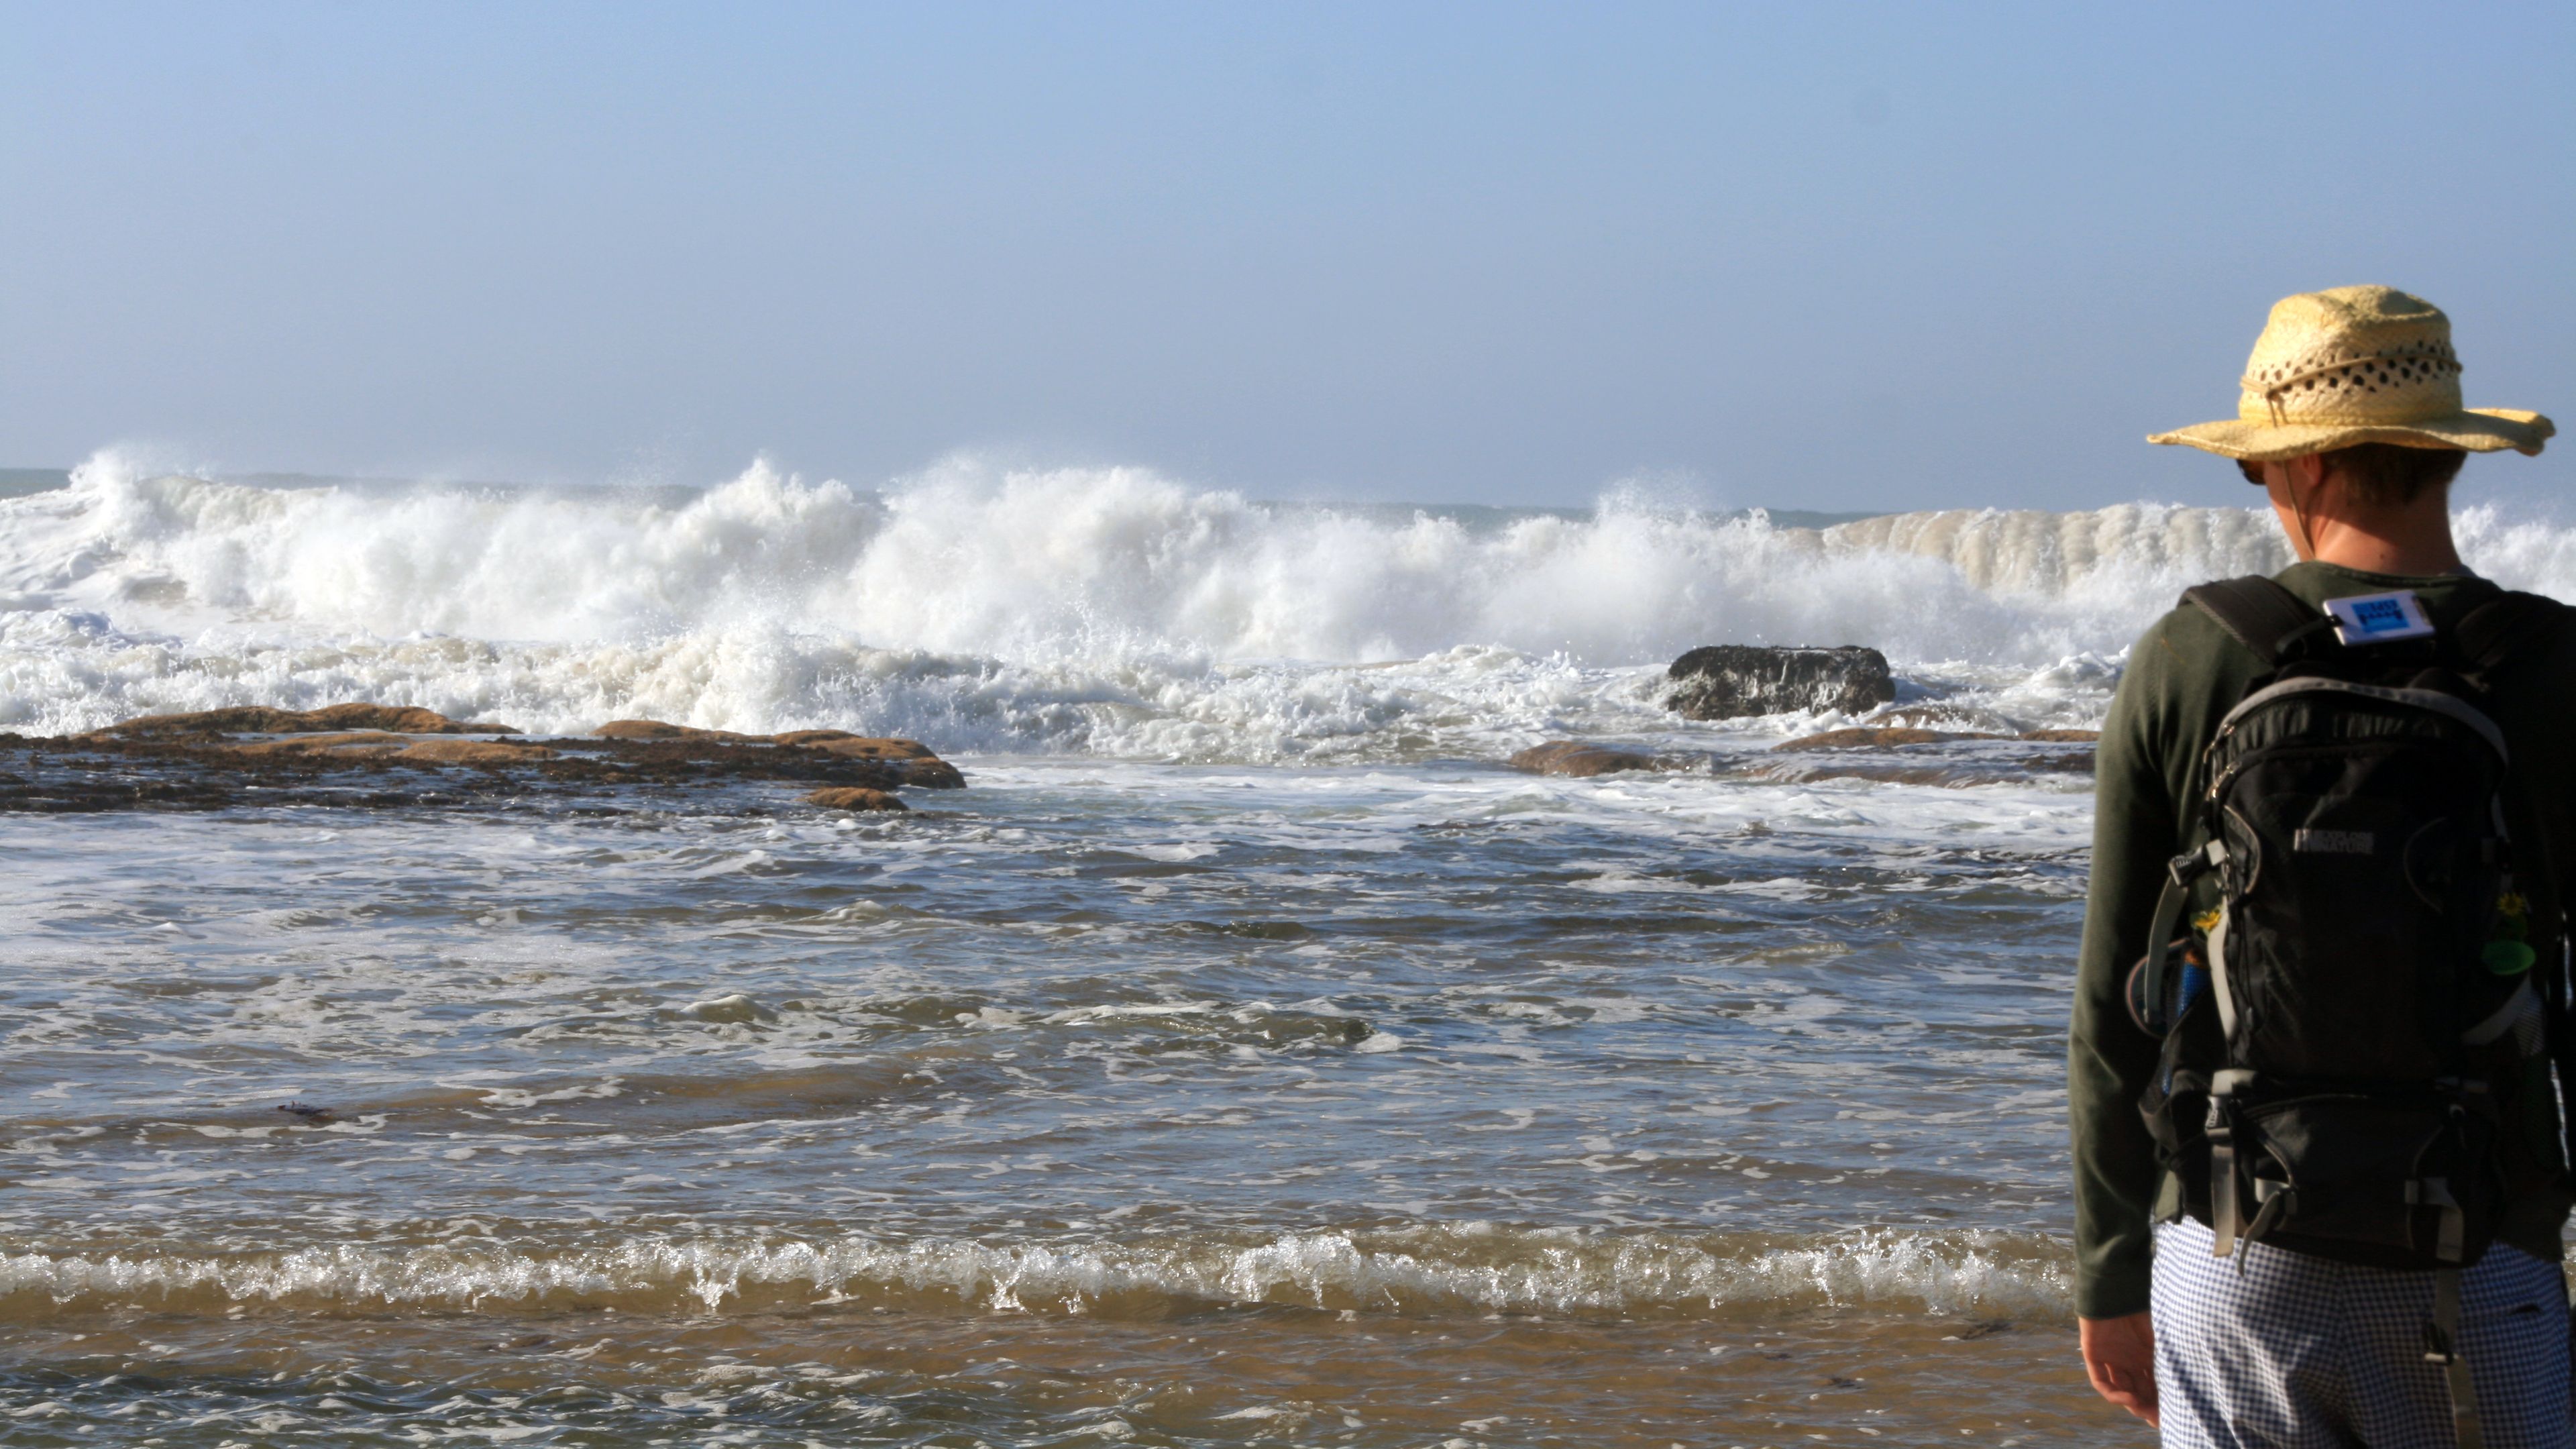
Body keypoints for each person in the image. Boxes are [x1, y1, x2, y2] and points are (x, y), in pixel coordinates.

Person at [2069, 284, 2573, 1445]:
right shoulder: (2551, 667)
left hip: (2233, 1254)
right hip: (2482, 1258)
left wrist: (2109, 1272)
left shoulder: (2190, 656)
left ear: (2300, 469)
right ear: (2447, 455)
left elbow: (2114, 1006)